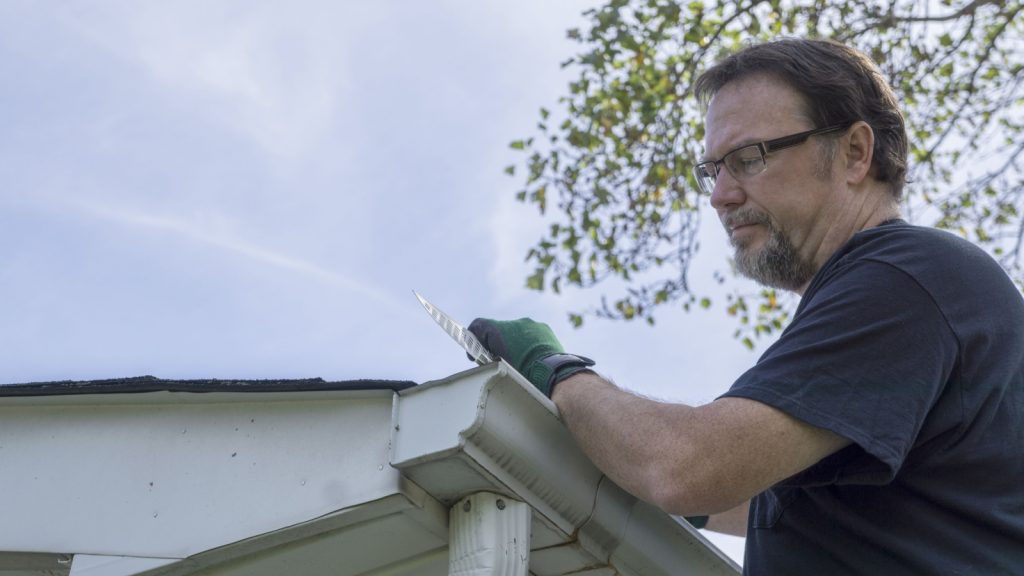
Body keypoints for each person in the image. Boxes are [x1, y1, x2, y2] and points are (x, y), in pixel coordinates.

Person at [469, 38, 1024, 575]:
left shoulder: (907, 277)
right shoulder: (908, 299)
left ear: (855, 152)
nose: (720, 196)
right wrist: (621, 455)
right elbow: (755, 490)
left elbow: (687, 466)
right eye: (713, 169)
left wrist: (554, 370)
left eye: (749, 157)